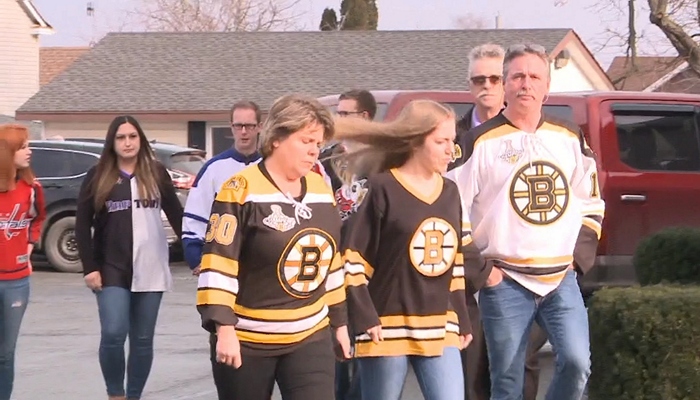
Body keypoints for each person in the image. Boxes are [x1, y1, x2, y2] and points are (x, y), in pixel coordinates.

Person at [451, 43, 604, 400]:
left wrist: (577, 259)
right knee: (507, 382)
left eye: (534, 76)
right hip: (504, 281)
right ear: (505, 85)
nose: (525, 84)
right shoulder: (477, 142)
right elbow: (451, 208)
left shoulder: (568, 137)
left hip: (560, 278)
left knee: (578, 363)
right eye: (517, 76)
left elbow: (591, 201)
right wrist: (481, 269)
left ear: (547, 87)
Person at [196, 94, 352, 400]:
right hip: (248, 339)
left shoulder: (321, 190)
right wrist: (224, 328)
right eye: (306, 140)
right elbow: (218, 263)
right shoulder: (239, 190)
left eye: (318, 144)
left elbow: (331, 262)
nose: (313, 151)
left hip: (310, 336)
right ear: (277, 137)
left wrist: (340, 323)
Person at [333, 99, 473, 400]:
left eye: (452, 140)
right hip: (387, 327)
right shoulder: (383, 188)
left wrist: (461, 315)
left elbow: (455, 262)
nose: (451, 149)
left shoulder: (450, 192)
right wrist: (365, 315)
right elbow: (353, 259)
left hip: (440, 324)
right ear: (415, 142)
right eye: (441, 141)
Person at [448, 43, 548, 400]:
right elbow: (445, 209)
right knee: (473, 369)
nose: (486, 86)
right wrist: (480, 269)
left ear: (505, 82)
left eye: (494, 77)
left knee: (521, 368)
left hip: (524, 278)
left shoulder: (537, 134)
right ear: (469, 84)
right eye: (478, 79)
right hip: (470, 276)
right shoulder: (452, 137)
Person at [75, 115, 184, 400]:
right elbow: (81, 223)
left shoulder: (157, 172)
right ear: (112, 142)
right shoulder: (98, 175)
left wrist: (199, 256)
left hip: (151, 267)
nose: (127, 142)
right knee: (113, 332)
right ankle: (115, 393)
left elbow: (177, 216)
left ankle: (133, 395)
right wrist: (89, 267)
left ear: (140, 140)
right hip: (111, 268)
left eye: (132, 136)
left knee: (143, 340)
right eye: (121, 137)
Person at [181, 100, 263, 399]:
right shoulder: (215, 169)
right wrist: (196, 258)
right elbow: (194, 219)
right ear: (231, 128)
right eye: (238, 125)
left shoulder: (270, 166)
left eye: (249, 125)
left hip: (260, 274)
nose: (244, 132)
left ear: (260, 127)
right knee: (224, 346)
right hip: (223, 272)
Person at [320, 89, 377, 400]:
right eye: (337, 113)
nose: (337, 120)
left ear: (364, 117)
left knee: (369, 356)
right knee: (339, 355)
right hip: (334, 266)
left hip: (371, 268)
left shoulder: (383, 157)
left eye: (344, 114)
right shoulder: (326, 159)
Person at [0, 124, 46, 400]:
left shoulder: (31, 188)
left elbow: (38, 218)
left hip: (17, 281)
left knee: (6, 352)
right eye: (24, 146)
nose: (30, 152)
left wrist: (29, 246)